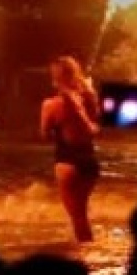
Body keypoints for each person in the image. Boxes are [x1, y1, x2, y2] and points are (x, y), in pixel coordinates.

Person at [40, 55, 100, 243]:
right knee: (81, 213)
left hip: (67, 162)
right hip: (90, 162)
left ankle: (86, 252)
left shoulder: (51, 104)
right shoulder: (90, 99)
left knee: (78, 216)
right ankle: (86, 249)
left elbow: (44, 134)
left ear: (55, 77)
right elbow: (94, 125)